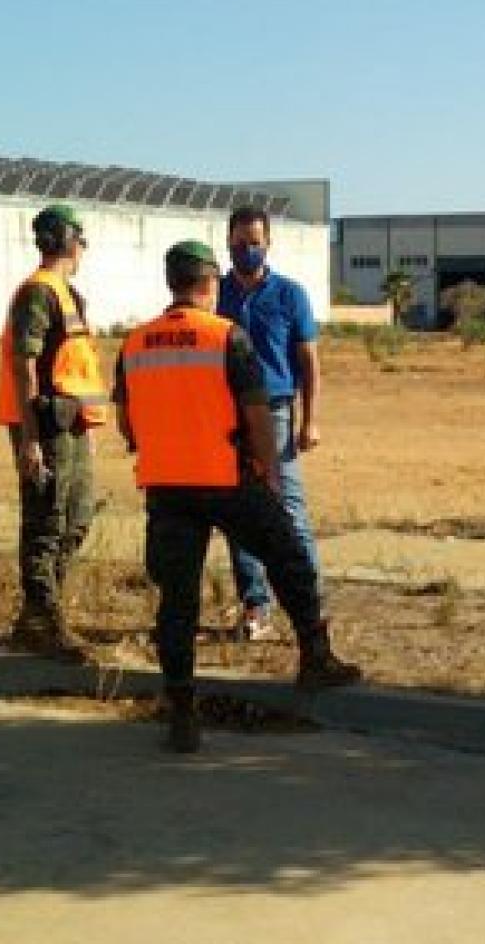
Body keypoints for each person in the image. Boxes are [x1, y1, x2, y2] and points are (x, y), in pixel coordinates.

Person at [114, 240, 362, 753]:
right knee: (287, 554)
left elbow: (126, 419)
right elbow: (256, 415)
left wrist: (156, 445)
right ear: (210, 284)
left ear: (170, 282)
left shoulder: (134, 343)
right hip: (225, 479)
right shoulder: (226, 336)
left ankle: (182, 710)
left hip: (165, 486)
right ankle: (315, 657)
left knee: (177, 601)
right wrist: (269, 473)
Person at [0, 204, 107, 661]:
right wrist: (30, 438)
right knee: (46, 522)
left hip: (71, 425)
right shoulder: (39, 293)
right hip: (45, 426)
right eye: (79, 239)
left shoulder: (66, 294)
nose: (82, 249)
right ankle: (43, 620)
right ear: (67, 240)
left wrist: (87, 427)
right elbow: (24, 367)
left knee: (75, 518)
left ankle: (39, 616)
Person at [215, 207, 324, 640]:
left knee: (287, 506)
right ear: (228, 243)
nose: (247, 250)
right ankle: (255, 604)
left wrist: (311, 420)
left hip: (276, 410)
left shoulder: (289, 295)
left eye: (255, 242)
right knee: (240, 511)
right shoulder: (216, 294)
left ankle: (309, 602)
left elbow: (310, 362)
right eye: (240, 243)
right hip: (227, 412)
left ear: (269, 243)